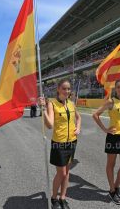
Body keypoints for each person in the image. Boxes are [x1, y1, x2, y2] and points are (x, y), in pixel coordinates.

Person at [38, 79, 81, 209]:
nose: (67, 91)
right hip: (59, 143)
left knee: (67, 172)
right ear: (58, 89)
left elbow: (78, 118)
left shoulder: (72, 103)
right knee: (61, 173)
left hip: (72, 142)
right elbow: (49, 125)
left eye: (68, 89)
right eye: (64, 88)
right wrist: (43, 109)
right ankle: (53, 197)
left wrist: (78, 128)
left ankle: (63, 198)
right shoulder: (52, 103)